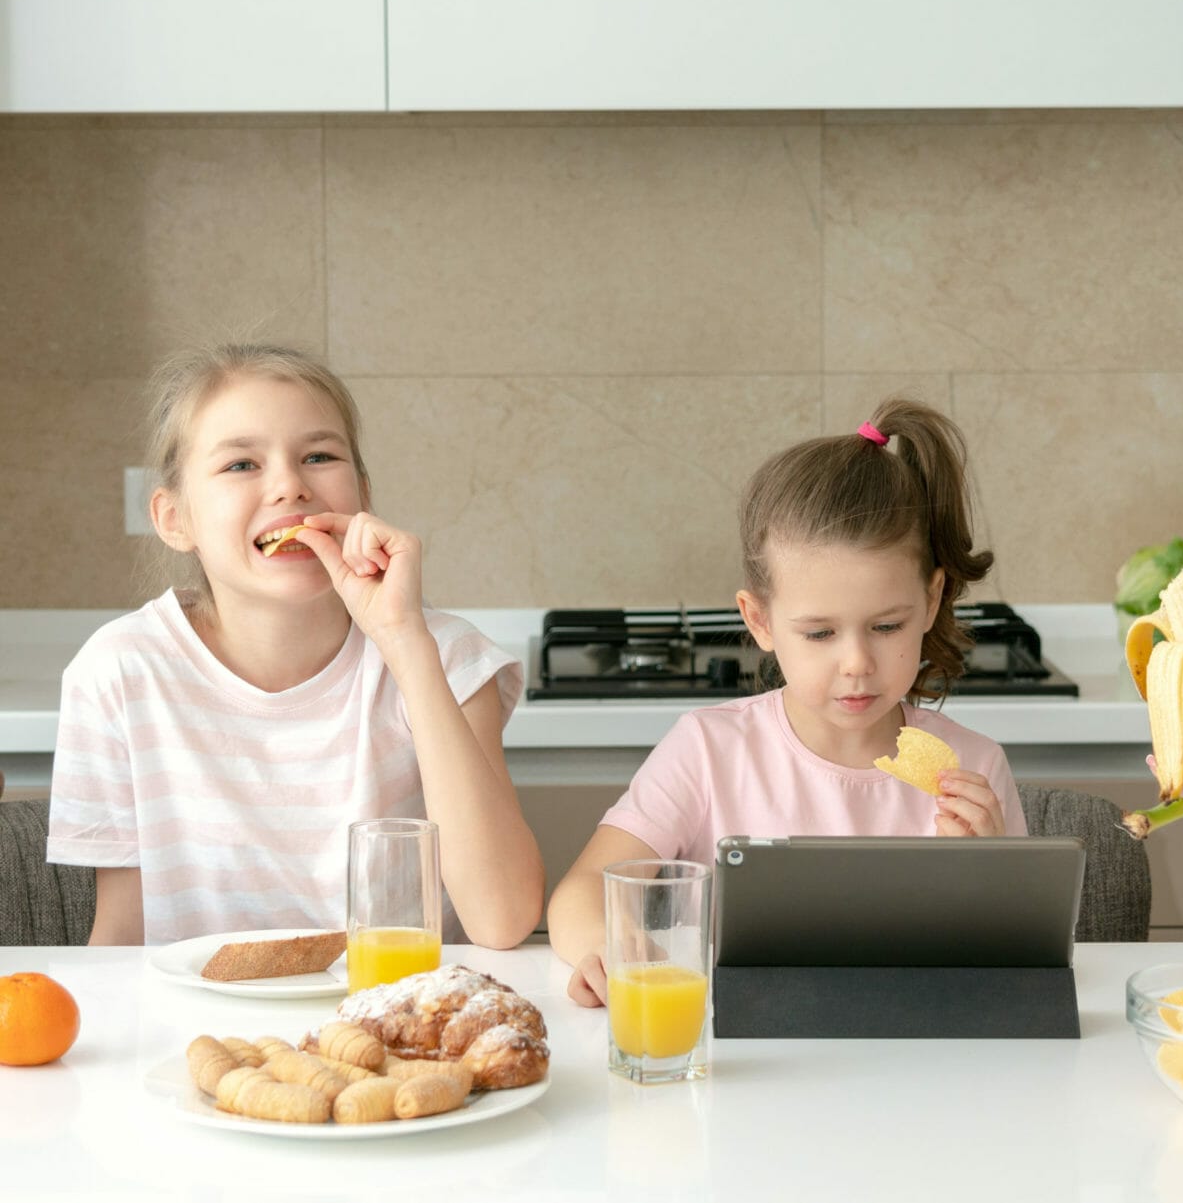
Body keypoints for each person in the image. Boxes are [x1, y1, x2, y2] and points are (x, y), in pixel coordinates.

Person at [47, 346, 544, 949]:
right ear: (175, 518)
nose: (290, 486)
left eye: (319, 456)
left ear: (361, 494)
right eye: (240, 465)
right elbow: (124, 932)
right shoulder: (120, 672)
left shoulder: (445, 655)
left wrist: (404, 642)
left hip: (396, 1025)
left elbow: (503, 918)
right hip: (201, 1031)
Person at [548, 398, 1026, 1007]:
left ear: (931, 603)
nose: (856, 662)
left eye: (886, 627)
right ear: (761, 621)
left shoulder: (974, 766)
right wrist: (619, 950)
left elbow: (1017, 966)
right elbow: (581, 892)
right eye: (820, 633)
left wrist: (984, 879)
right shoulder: (708, 750)